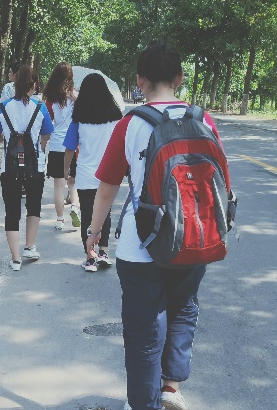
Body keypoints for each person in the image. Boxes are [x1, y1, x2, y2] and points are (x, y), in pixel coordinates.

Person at [87, 41, 223, 410]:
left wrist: (94, 233)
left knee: (143, 326)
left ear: (139, 80)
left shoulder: (131, 124)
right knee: (183, 309)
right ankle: (171, 388)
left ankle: (142, 403)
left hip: (141, 243)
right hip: (193, 236)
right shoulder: (203, 120)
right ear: (180, 78)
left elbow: (107, 187)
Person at [0, 64, 53, 270]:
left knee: (12, 210)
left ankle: (15, 259)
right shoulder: (40, 108)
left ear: (15, 84)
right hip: (35, 166)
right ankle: (29, 246)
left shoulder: (2, 108)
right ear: (33, 85)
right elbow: (46, 135)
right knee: (33, 206)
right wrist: (37, 144)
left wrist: (10, 137)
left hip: (10, 166)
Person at [62, 73, 121, 272]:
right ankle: (103, 251)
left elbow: (70, 148)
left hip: (86, 174)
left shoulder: (79, 119)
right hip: (109, 173)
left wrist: (65, 170)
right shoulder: (115, 118)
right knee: (106, 213)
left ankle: (90, 257)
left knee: (87, 214)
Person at [42, 62, 80, 231]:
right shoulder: (76, 97)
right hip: (74, 145)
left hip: (57, 144)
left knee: (58, 185)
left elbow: (48, 122)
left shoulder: (50, 99)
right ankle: (75, 208)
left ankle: (59, 220)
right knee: (73, 182)